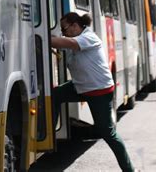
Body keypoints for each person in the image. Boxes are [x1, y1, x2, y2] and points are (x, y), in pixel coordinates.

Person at [51, 12, 135, 172]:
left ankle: (129, 169)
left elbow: (65, 43)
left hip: (99, 91)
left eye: (64, 29)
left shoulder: (88, 37)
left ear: (75, 26)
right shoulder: (73, 39)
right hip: (81, 87)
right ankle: (50, 137)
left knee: (107, 133)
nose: (63, 33)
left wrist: (41, 36)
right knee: (55, 95)